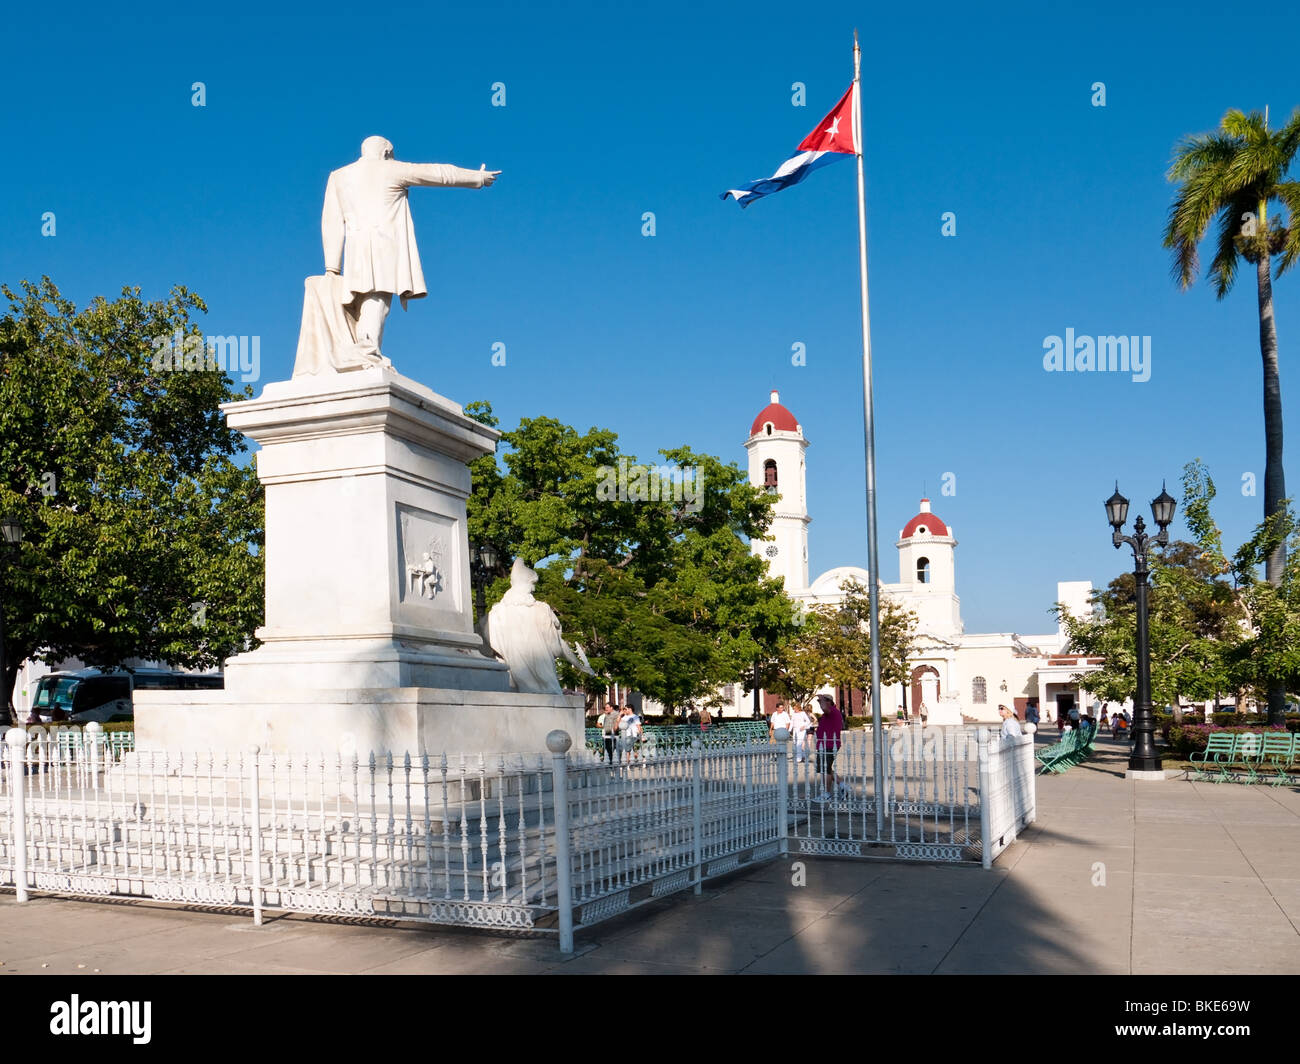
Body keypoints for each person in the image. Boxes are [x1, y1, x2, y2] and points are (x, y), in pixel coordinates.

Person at [814, 694, 844, 801]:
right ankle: (843, 785)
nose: (819, 703)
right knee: (826, 768)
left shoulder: (831, 711)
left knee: (825, 770)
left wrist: (822, 698)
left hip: (829, 744)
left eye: (821, 701)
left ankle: (826, 794)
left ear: (828, 702)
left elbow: (824, 708)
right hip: (824, 744)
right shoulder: (829, 713)